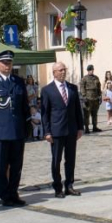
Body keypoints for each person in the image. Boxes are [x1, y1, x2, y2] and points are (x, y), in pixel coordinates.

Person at [0, 50, 30, 207]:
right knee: (2, 166)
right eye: (4, 63)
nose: (7, 65)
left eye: (9, 62)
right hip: (1, 132)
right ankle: (4, 195)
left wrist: (28, 123)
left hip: (17, 130)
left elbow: (24, 105)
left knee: (17, 165)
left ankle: (14, 192)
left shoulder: (18, 81)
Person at [41, 62, 85, 198]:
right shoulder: (47, 90)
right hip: (56, 131)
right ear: (54, 72)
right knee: (56, 160)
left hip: (71, 130)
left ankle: (69, 185)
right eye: (60, 70)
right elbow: (45, 113)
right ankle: (57, 187)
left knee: (70, 159)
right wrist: (47, 132)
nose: (63, 72)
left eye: (64, 70)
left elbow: (78, 109)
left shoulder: (72, 88)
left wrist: (80, 127)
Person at [80, 64, 102, 134]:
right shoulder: (84, 78)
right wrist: (84, 97)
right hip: (88, 98)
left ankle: (95, 126)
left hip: (95, 98)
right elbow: (82, 88)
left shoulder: (96, 78)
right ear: (88, 71)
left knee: (94, 114)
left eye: (92, 69)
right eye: (90, 70)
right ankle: (86, 128)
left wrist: (100, 96)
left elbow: (99, 87)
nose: (91, 71)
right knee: (87, 114)